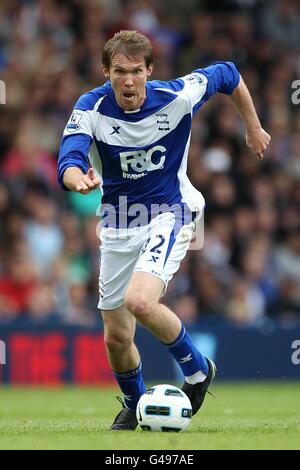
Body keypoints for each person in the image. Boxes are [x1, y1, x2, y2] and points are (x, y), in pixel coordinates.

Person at [57, 30, 271, 430]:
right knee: (116, 338)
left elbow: (228, 73)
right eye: (119, 71)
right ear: (106, 72)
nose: (128, 81)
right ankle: (136, 404)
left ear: (149, 70)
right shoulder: (91, 107)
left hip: (170, 210)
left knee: (140, 301)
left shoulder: (176, 96)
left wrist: (253, 127)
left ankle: (198, 371)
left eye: (136, 71)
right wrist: (76, 179)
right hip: (118, 221)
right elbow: (68, 156)